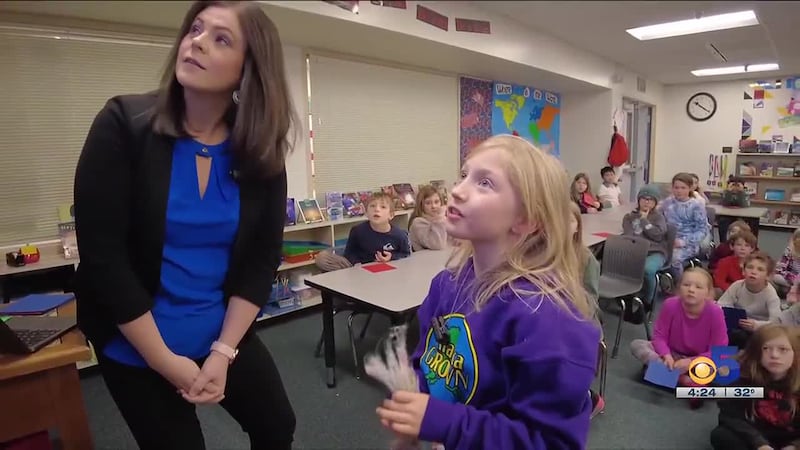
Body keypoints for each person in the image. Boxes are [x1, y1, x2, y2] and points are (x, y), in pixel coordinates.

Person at [72, 2, 296, 448]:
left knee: (277, 426)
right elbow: (104, 260)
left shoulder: (259, 152)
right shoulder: (123, 124)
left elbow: (261, 259)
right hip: (136, 346)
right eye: (196, 29)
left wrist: (223, 351)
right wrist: (166, 362)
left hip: (222, 336)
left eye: (221, 38)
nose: (196, 42)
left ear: (248, 70)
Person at [375, 135, 601, 449]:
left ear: (526, 219)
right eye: (464, 175)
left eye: (484, 183)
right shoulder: (446, 284)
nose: (457, 190)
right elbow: (429, 359)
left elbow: (548, 442)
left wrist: (446, 423)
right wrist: (415, 398)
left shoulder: (548, 318)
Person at [629, 268, 727, 408]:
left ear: (708, 293)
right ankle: (685, 381)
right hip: (672, 355)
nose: (691, 290)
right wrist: (666, 355)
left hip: (700, 359)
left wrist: (690, 362)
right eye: (686, 285)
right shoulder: (671, 304)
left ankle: (660, 375)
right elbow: (659, 336)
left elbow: (719, 350)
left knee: (724, 371)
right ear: (679, 287)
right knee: (637, 345)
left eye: (698, 287)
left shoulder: (715, 312)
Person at [711, 324, 800, 450]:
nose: (774, 355)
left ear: (795, 354)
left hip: (792, 438)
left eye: (783, 349)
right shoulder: (744, 379)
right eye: (766, 348)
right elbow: (730, 416)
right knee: (721, 435)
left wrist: (794, 446)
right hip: (757, 435)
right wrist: (760, 444)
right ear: (757, 353)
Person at [569, 202, 604, 418]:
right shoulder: (539, 253)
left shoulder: (586, 258)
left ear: (577, 226)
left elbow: (591, 299)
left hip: (579, 318)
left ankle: (588, 399)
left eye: (569, 221)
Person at [316, 192, 412, 271]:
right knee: (322, 258)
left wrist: (391, 257)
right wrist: (357, 264)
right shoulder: (357, 231)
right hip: (359, 269)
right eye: (372, 206)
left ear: (391, 215)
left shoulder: (399, 235)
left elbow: (406, 253)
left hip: (388, 270)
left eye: (383, 207)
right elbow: (349, 253)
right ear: (366, 213)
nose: (377, 210)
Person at [718, 252, 782, 348]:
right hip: (737, 326)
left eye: (760, 269)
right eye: (750, 267)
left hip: (758, 330)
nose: (753, 272)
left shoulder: (771, 295)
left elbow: (776, 322)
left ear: (768, 276)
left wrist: (756, 325)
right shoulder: (737, 286)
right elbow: (721, 305)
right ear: (743, 271)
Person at [621, 184, 668, 312]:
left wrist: (644, 221)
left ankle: (648, 301)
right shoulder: (629, 217)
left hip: (655, 252)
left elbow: (658, 236)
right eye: (644, 199)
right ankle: (628, 299)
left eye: (650, 199)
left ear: (655, 202)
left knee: (648, 270)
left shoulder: (658, 217)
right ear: (639, 200)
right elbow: (628, 235)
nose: (647, 202)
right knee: (621, 267)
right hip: (636, 251)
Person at [659, 172, 709, 276]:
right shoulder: (667, 202)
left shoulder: (696, 206)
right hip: (667, 240)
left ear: (690, 188)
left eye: (683, 188)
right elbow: (658, 219)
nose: (679, 191)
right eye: (676, 188)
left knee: (674, 259)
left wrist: (683, 242)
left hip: (688, 242)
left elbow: (702, 230)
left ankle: (679, 285)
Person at [713, 230, 757, 297]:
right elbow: (719, 281)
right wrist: (734, 290)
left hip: (750, 293)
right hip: (729, 292)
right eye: (739, 245)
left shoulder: (756, 263)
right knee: (716, 291)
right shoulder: (725, 262)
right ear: (732, 246)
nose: (742, 248)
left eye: (747, 245)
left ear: (752, 249)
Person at [408, 184, 448, 251]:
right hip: (424, 260)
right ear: (421, 205)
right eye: (428, 203)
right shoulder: (418, 223)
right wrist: (440, 218)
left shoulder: (441, 219)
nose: (433, 206)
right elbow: (438, 245)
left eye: (436, 202)